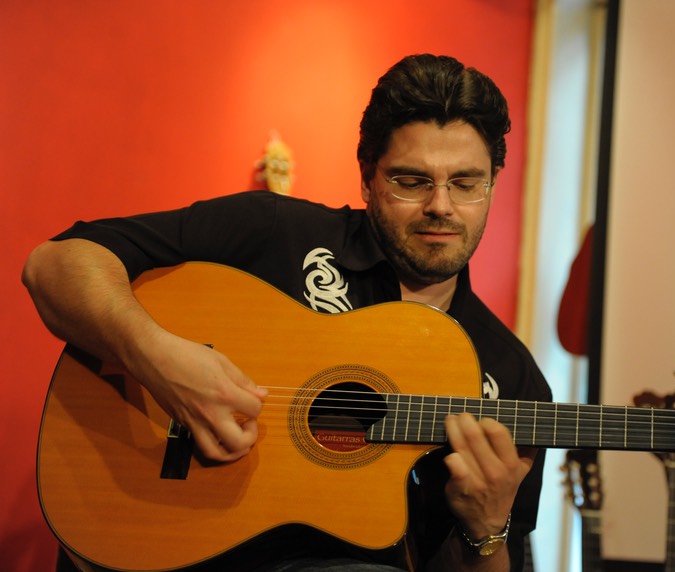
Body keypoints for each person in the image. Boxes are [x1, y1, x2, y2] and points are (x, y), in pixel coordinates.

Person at [23, 53, 553, 571]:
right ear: (368, 179)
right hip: (154, 535)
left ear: (491, 186)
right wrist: (161, 361)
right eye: (411, 181)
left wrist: (486, 529)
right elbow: (57, 264)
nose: (441, 204)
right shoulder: (275, 230)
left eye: (465, 183)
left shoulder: (513, 380)